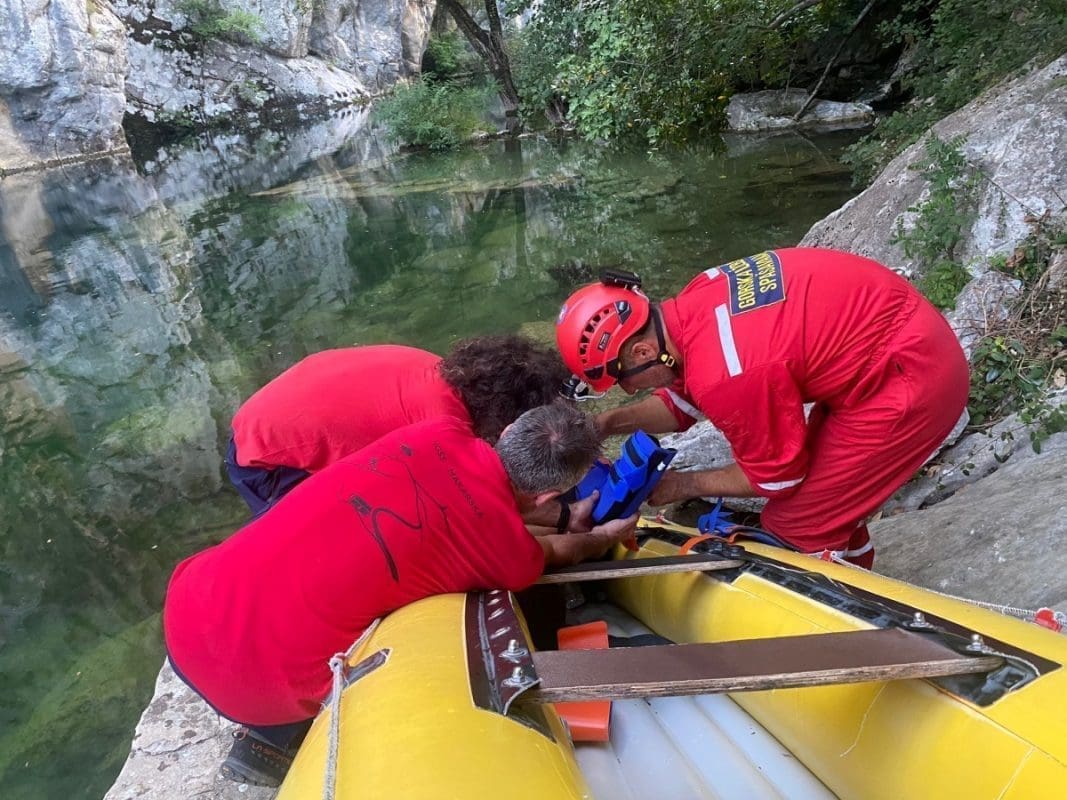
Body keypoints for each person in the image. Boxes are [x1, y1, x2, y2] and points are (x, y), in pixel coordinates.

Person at [164, 403, 637, 786]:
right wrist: (599, 536)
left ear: (510, 427)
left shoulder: (438, 429)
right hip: (249, 692)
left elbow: (471, 498)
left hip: (187, 605)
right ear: (548, 496)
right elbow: (556, 549)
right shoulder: (511, 557)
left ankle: (265, 733)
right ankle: (275, 732)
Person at [555, 247, 970, 568]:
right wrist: (606, 424)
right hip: (887, 342)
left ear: (644, 349)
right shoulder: (695, 302)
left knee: (796, 523)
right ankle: (859, 571)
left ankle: (842, 623)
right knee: (828, 499)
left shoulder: (728, 372)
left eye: (623, 379)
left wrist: (683, 486)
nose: (627, 390)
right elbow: (684, 401)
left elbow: (778, 479)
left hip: (908, 378)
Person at [226, 335, 571, 516]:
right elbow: (470, 511)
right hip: (268, 460)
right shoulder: (443, 430)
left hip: (266, 415)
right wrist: (563, 521)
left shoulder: (437, 368)